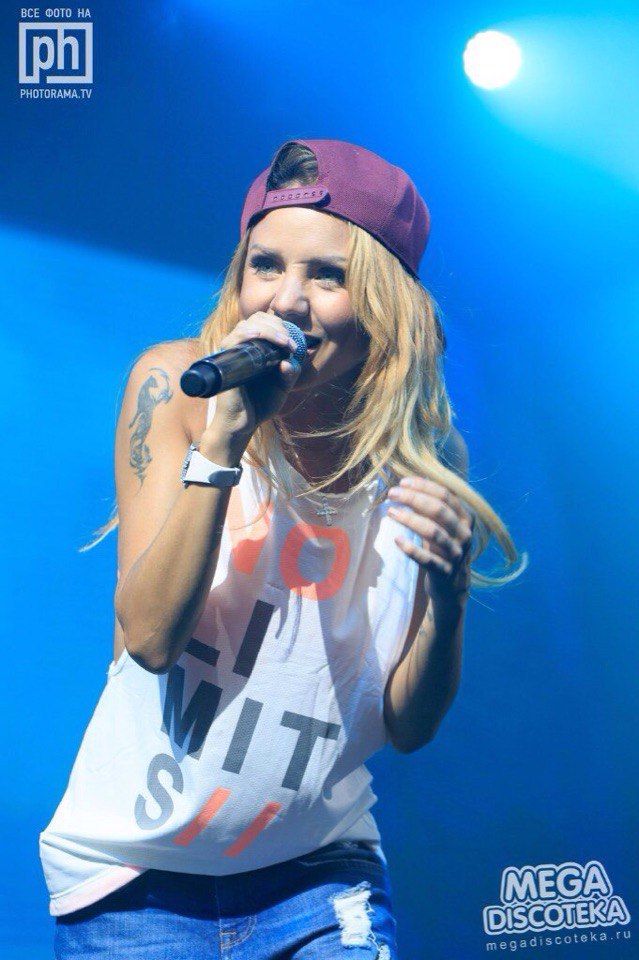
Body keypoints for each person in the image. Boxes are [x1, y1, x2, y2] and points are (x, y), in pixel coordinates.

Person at [40, 138, 527, 959]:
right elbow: (148, 638)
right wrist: (222, 445)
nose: (287, 301)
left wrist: (447, 602)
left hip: (319, 877)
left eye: (327, 275)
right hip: (133, 884)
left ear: (385, 303)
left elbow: (407, 725)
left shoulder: (416, 457)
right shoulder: (175, 386)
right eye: (265, 265)